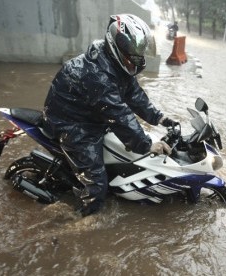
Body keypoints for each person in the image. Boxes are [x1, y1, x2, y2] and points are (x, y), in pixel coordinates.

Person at [42, 14, 177, 216]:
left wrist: (159, 118)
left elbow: (134, 95)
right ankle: (83, 219)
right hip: (72, 125)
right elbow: (119, 115)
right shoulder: (96, 75)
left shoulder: (115, 64)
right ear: (116, 46)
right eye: (133, 52)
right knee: (97, 183)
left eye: (139, 51)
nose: (136, 57)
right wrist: (146, 145)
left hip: (91, 118)